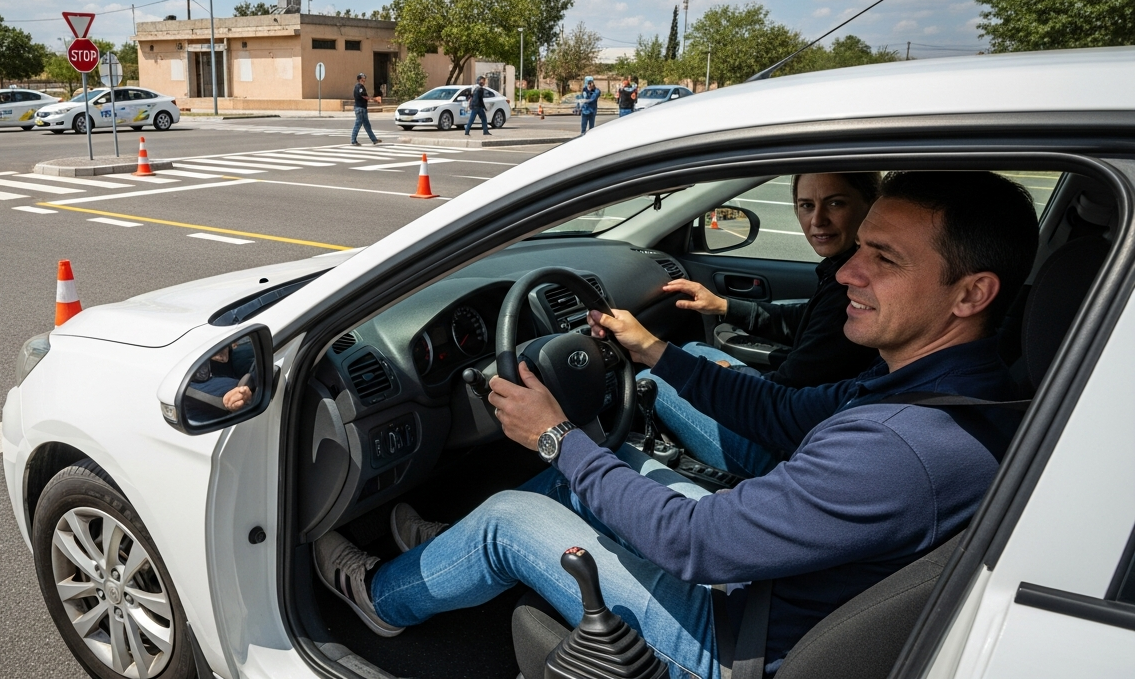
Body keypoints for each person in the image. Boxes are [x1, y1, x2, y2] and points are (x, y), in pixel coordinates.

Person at [314, 171, 1038, 678]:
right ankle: (447, 556)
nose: (848, 272)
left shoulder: (904, 448)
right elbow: (783, 413)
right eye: (861, 250)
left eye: (882, 258)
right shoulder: (944, 391)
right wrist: (659, 352)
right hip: (774, 587)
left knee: (510, 513)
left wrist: (556, 434)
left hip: (731, 642)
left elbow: (694, 545)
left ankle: (383, 599)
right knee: (610, 468)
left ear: (971, 293)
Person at [657, 172, 882, 475]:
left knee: (654, 378)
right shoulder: (841, 272)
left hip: (792, 452)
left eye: (836, 203)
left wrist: (727, 378)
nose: (817, 219)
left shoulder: (852, 288)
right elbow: (805, 321)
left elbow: (784, 399)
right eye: (806, 205)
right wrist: (724, 306)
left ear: (871, 205)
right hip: (806, 421)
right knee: (693, 349)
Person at [351, 73, 381, 146]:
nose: (363, 81)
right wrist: (374, 99)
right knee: (358, 124)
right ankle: (353, 140)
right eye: (362, 79)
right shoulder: (360, 87)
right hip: (360, 109)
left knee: (367, 125)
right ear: (359, 80)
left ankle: (374, 139)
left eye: (364, 79)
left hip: (362, 108)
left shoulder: (357, 87)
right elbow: (364, 96)